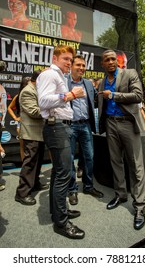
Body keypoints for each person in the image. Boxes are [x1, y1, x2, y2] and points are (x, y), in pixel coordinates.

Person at [36, 45, 85, 239]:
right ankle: (62, 223)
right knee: (64, 174)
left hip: (59, 126)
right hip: (56, 127)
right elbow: (44, 101)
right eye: (65, 59)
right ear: (55, 58)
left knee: (58, 173)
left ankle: (58, 212)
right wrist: (72, 95)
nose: (69, 63)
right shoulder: (50, 74)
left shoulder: (59, 76)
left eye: (70, 60)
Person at [98, 49, 145, 230]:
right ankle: (121, 194)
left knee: (136, 165)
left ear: (117, 61)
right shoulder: (102, 81)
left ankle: (140, 206)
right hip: (111, 124)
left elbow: (138, 96)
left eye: (113, 59)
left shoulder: (129, 73)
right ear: (102, 64)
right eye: (107, 60)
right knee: (116, 162)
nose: (110, 62)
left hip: (128, 124)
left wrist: (114, 95)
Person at [67, 55, 104, 206]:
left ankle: (88, 186)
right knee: (69, 159)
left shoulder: (88, 84)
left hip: (86, 125)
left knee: (90, 156)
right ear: (71, 66)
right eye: (78, 65)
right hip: (69, 125)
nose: (82, 68)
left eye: (83, 65)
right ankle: (72, 189)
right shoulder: (64, 82)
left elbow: (96, 98)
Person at [15, 70, 48, 206]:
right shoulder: (28, 91)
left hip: (38, 132)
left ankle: (34, 184)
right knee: (30, 162)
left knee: (37, 161)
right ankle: (22, 193)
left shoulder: (35, 89)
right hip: (31, 133)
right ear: (38, 80)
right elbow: (34, 112)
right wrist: (51, 107)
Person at [8, 76, 30, 161]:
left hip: (33, 124)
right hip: (21, 124)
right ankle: (25, 167)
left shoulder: (35, 94)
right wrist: (15, 117)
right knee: (23, 147)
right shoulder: (18, 96)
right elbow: (9, 108)